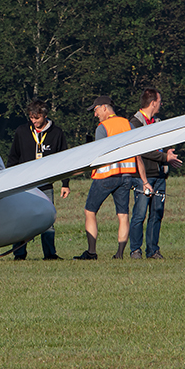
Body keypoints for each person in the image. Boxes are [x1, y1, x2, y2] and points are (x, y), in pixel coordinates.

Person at [75, 96, 151, 260]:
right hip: (126, 177)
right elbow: (137, 155)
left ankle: (92, 252)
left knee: (90, 211)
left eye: (95, 110)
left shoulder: (102, 127)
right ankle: (119, 254)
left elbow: (99, 155)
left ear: (104, 107)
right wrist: (145, 181)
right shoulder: (128, 124)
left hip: (105, 176)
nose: (95, 115)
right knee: (123, 215)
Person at [5, 99, 71, 260]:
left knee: (48, 220)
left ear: (45, 115)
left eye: (37, 118)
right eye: (31, 118)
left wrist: (65, 184)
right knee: (21, 218)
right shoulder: (22, 131)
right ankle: (19, 254)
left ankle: (50, 254)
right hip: (24, 185)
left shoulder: (57, 133)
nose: (34, 121)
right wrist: (7, 180)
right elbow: (13, 157)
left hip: (46, 185)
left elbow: (66, 160)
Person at [128, 88, 182, 261]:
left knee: (157, 213)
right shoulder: (135, 123)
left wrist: (169, 152)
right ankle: (135, 250)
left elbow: (164, 142)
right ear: (153, 103)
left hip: (159, 175)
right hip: (142, 176)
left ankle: (153, 250)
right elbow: (140, 151)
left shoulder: (158, 121)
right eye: (159, 102)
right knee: (140, 214)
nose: (161, 105)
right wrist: (164, 157)